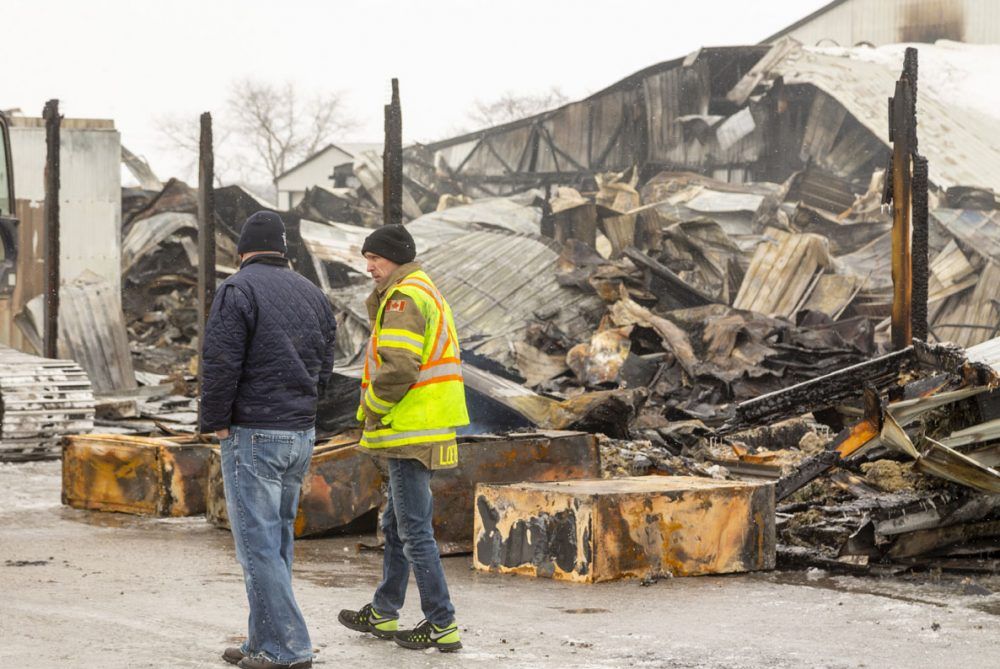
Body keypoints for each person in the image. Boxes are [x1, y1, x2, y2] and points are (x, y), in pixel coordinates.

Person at [200, 210, 336, 669]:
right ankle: (261, 641)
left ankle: (288, 649)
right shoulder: (313, 293)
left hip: (254, 433)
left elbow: (221, 361)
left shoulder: (237, 289)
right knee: (276, 544)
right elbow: (325, 366)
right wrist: (304, 409)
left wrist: (217, 420)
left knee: (257, 548)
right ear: (283, 250)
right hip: (299, 433)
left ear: (242, 251)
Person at [337, 224, 468, 653]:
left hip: (410, 429)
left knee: (413, 530)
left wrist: (372, 408)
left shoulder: (403, 298)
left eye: (375, 258)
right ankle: (384, 610)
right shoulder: (423, 291)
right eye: (366, 259)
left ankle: (441, 622)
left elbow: (399, 368)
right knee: (395, 525)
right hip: (419, 428)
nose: (369, 267)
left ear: (395, 257)